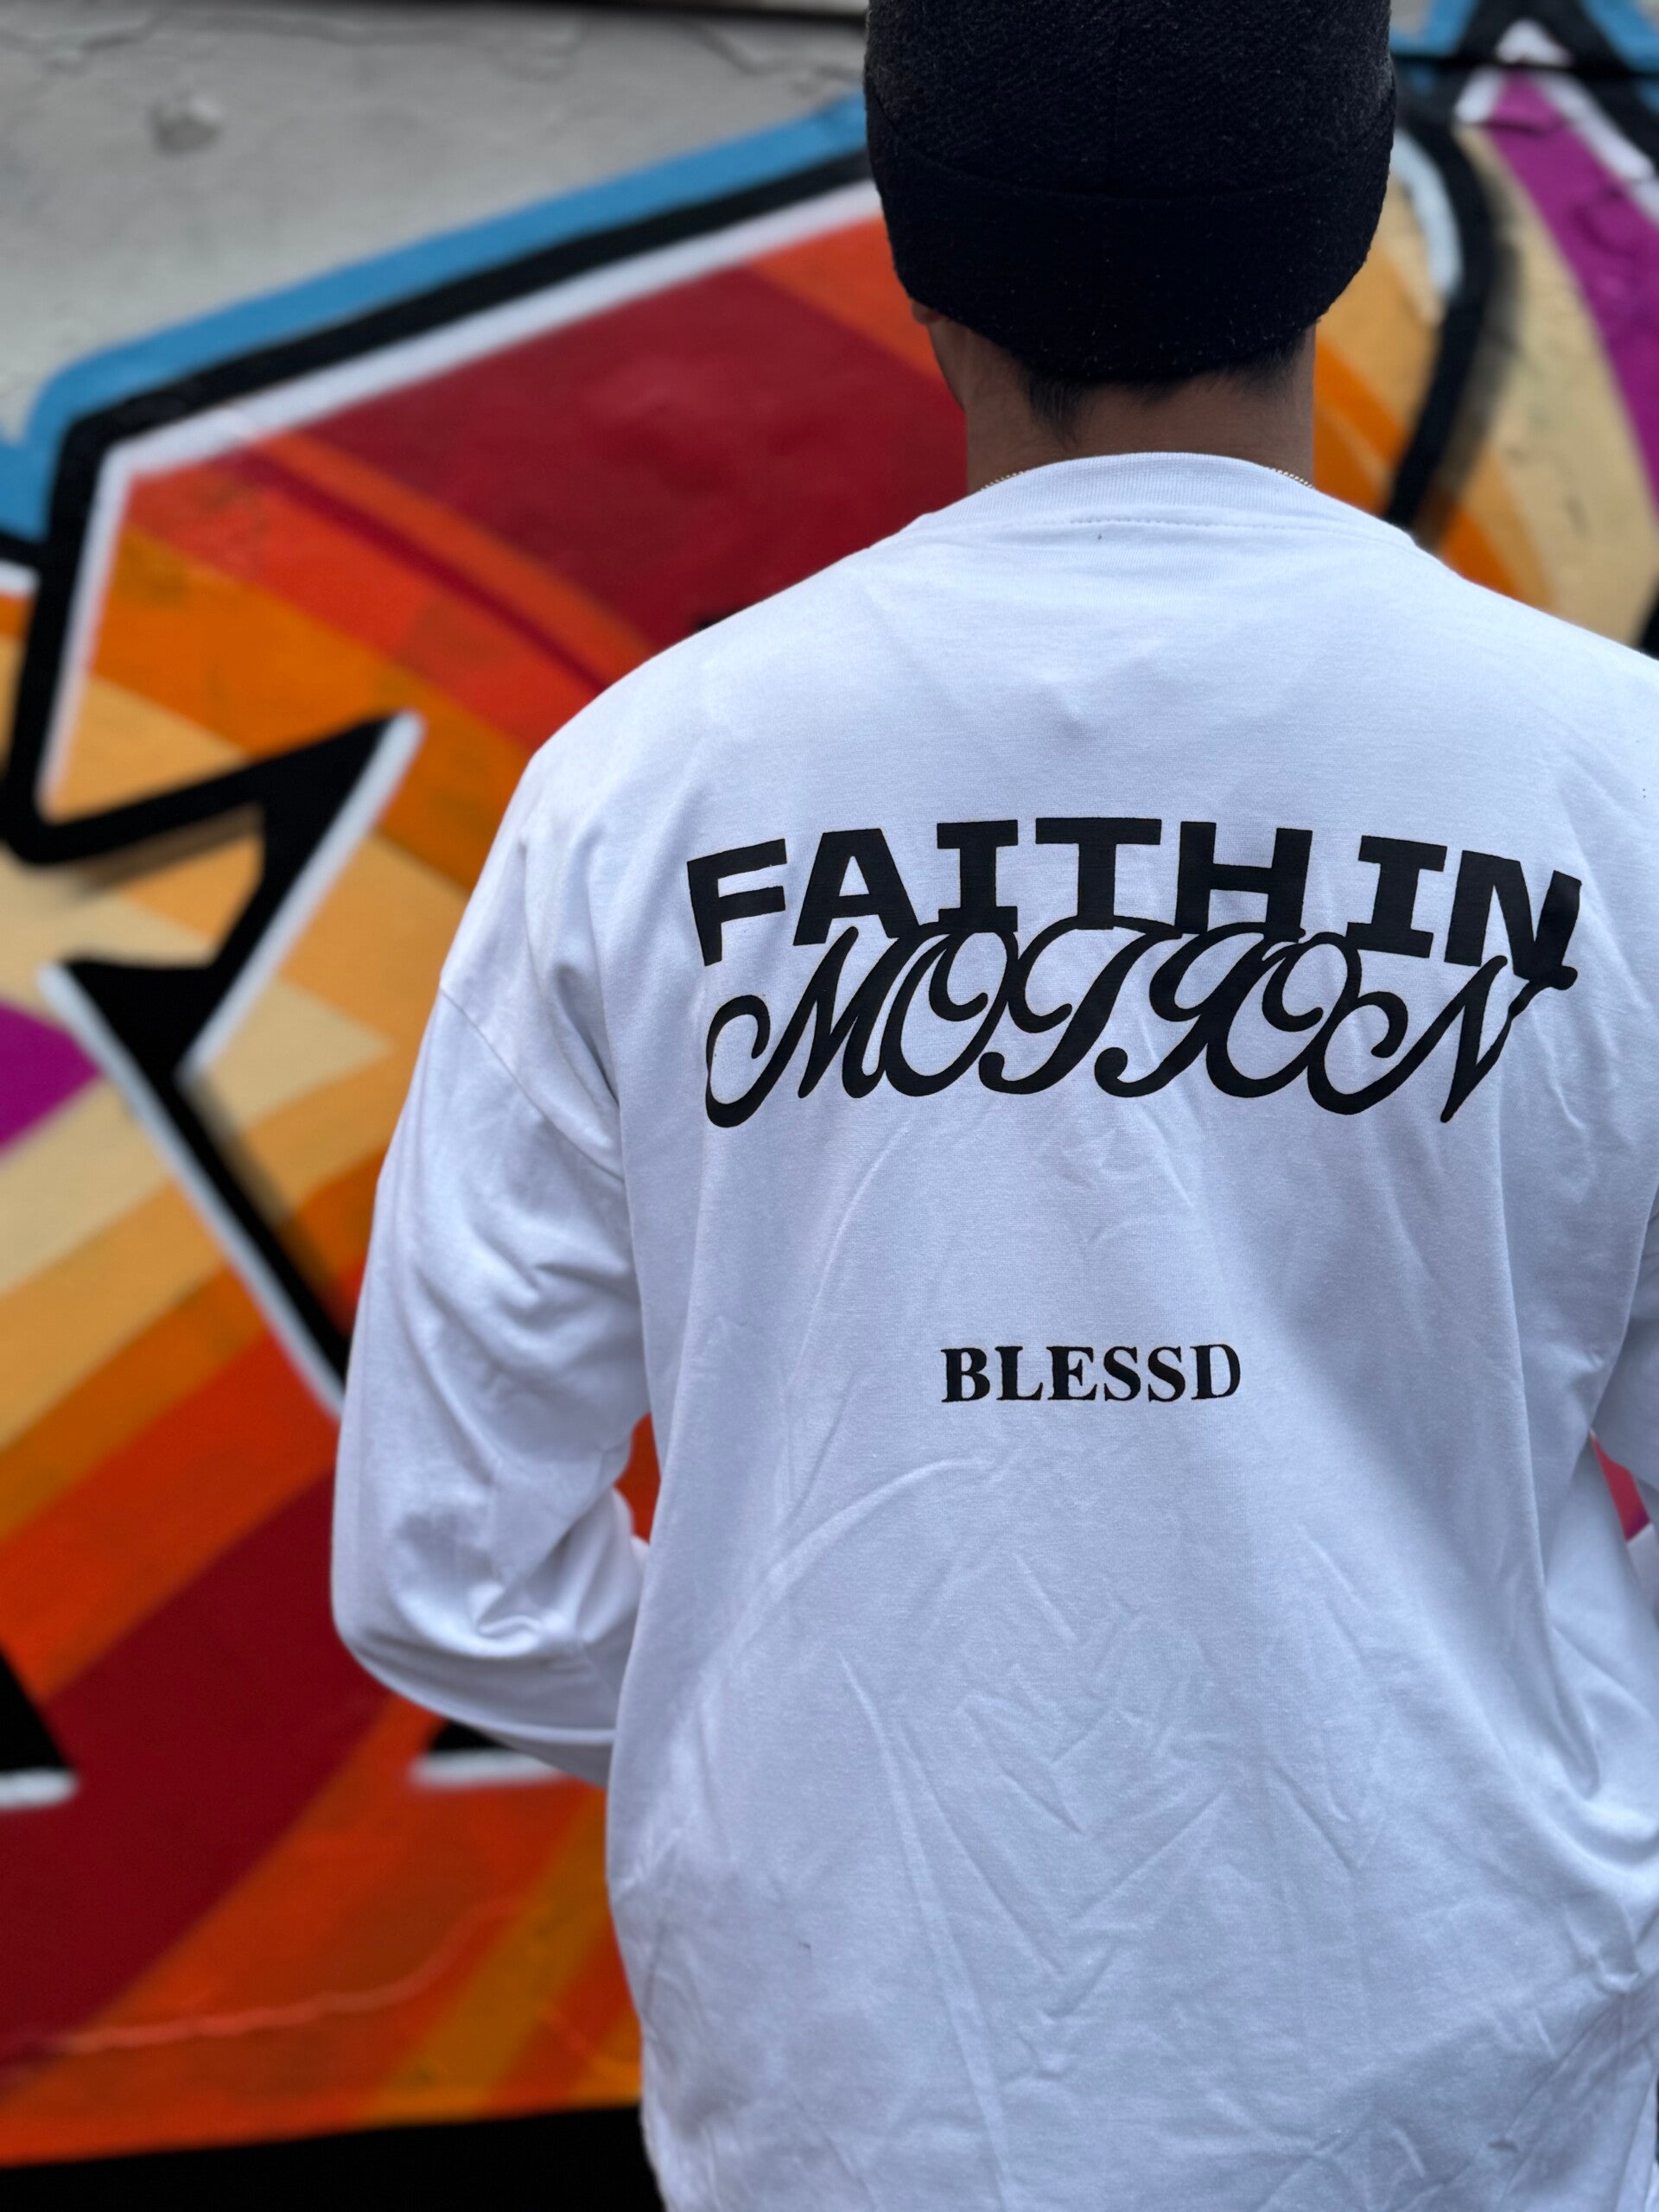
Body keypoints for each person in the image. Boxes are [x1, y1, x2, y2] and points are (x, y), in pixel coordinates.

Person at [333, 2, 1659, 2204]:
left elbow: (450, 1569)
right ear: (1349, 221)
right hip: (1476, 2084)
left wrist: (798, 1731)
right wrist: (1515, 1763)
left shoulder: (642, 795)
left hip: (862, 2093)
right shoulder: (1615, 785)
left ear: (910, 234)